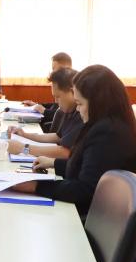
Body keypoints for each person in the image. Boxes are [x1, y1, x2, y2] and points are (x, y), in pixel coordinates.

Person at [13, 65, 136, 216]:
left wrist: (36, 186)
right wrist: (53, 163)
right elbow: (89, 167)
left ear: (98, 102)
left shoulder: (107, 132)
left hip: (89, 215)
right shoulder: (108, 124)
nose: (77, 109)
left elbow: (84, 189)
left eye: (80, 104)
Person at [7, 68, 82, 159]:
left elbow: (66, 152)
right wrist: (24, 134)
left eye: (58, 96)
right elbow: (58, 137)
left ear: (73, 92)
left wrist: (23, 148)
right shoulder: (69, 110)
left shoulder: (81, 114)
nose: (56, 101)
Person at [23, 52, 73, 132]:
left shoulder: (70, 86)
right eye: (52, 69)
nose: (52, 72)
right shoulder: (60, 85)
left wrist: (44, 110)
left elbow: (60, 112)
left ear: (66, 68)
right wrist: (37, 105)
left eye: (54, 68)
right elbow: (55, 105)